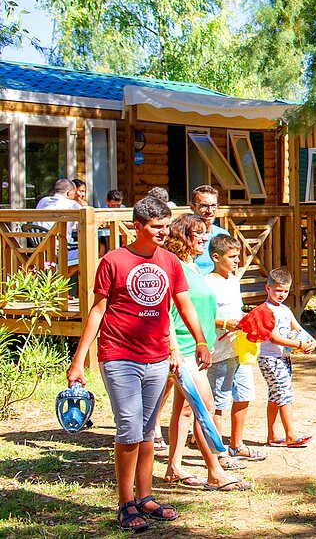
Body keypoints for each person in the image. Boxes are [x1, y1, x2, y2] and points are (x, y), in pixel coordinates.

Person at [65, 196, 211, 530]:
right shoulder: (114, 260)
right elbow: (98, 310)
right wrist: (79, 361)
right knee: (129, 428)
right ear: (138, 227)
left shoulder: (170, 262)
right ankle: (125, 502)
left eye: (165, 226)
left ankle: (145, 497)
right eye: (155, 227)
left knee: (147, 430)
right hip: (119, 356)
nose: (162, 233)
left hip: (157, 357)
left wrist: (200, 340)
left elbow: (184, 304)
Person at [162, 214, 250, 490]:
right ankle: (215, 471)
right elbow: (165, 310)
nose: (204, 238)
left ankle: (174, 468)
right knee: (206, 407)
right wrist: (174, 347)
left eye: (205, 233)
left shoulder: (192, 266)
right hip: (182, 348)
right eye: (198, 233)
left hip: (195, 347)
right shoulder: (173, 265)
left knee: (184, 410)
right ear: (182, 236)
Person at [204, 235, 264, 462]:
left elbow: (236, 310)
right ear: (216, 257)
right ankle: (218, 452)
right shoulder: (207, 283)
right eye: (232, 257)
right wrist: (223, 323)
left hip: (240, 347)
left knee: (244, 395)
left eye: (238, 256)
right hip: (219, 350)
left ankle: (237, 444)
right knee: (219, 401)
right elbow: (203, 317)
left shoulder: (233, 279)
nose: (237, 261)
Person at [256, 268, 316, 447]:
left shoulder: (285, 310)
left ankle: (272, 435)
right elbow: (273, 337)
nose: (282, 294)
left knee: (275, 396)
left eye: (285, 291)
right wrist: (298, 345)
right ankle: (291, 435)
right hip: (270, 358)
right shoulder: (265, 310)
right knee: (284, 394)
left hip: (283, 358)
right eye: (278, 290)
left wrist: (310, 341)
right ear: (268, 289)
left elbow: (298, 329)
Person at [35, 178, 80, 269]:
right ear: (69, 192)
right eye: (74, 193)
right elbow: (83, 225)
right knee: (94, 250)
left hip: (39, 250)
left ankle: (57, 278)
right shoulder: (72, 204)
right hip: (59, 251)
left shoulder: (42, 201)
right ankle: (62, 278)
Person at [191, 185, 230, 275]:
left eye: (213, 206)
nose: (209, 211)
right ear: (192, 207)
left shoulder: (223, 235)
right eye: (204, 206)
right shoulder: (185, 235)